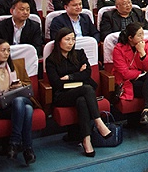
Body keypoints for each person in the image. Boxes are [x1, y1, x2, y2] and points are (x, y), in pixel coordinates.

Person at [45, 28, 113, 156]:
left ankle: (87, 141)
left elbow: (87, 74)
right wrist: (79, 74)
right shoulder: (51, 60)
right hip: (62, 96)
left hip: (79, 93)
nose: (71, 42)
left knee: (82, 100)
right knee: (86, 88)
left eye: (73, 39)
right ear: (59, 41)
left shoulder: (79, 54)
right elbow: (57, 83)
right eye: (67, 39)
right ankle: (98, 122)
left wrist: (69, 77)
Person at [0, 39, 40, 164]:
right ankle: (28, 149)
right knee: (26, 110)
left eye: (8, 50)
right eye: (3, 50)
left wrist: (20, 85)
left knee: (19, 101)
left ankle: (14, 142)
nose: (7, 53)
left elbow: (28, 84)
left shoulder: (16, 65)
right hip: (0, 107)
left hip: (22, 99)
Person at [112, 22, 148, 142]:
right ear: (130, 38)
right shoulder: (118, 49)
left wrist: (142, 53)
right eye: (139, 35)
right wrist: (142, 73)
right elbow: (125, 73)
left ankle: (146, 111)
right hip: (128, 83)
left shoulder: (146, 45)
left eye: (143, 34)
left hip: (145, 80)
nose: (143, 38)